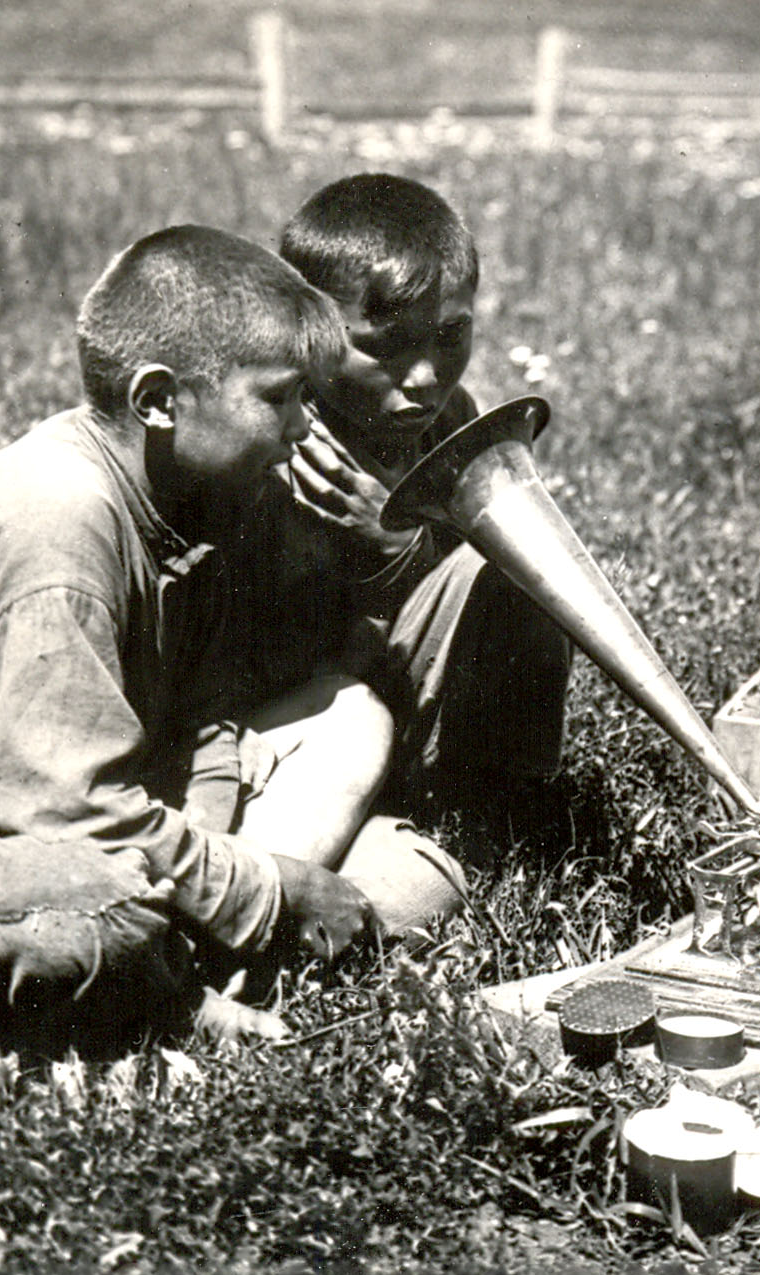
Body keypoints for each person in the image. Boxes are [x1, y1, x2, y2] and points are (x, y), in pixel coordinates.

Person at [0, 226, 381, 1042]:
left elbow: (205, 719)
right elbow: (55, 813)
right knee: (82, 921)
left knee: (349, 714)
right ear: (158, 401)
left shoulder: (185, 494)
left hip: (74, 818)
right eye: (279, 397)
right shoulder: (63, 518)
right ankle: (175, 996)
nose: (301, 429)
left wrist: (230, 868)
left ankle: (177, 949)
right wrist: (265, 889)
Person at [231, 174, 573, 894]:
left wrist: (401, 551)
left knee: (523, 565)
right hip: (305, 745)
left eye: (452, 336)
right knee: (408, 895)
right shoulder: (264, 446)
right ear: (308, 327)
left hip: (404, 731)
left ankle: (502, 814)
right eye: (384, 346)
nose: (423, 376)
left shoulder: (450, 420)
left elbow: (472, 620)